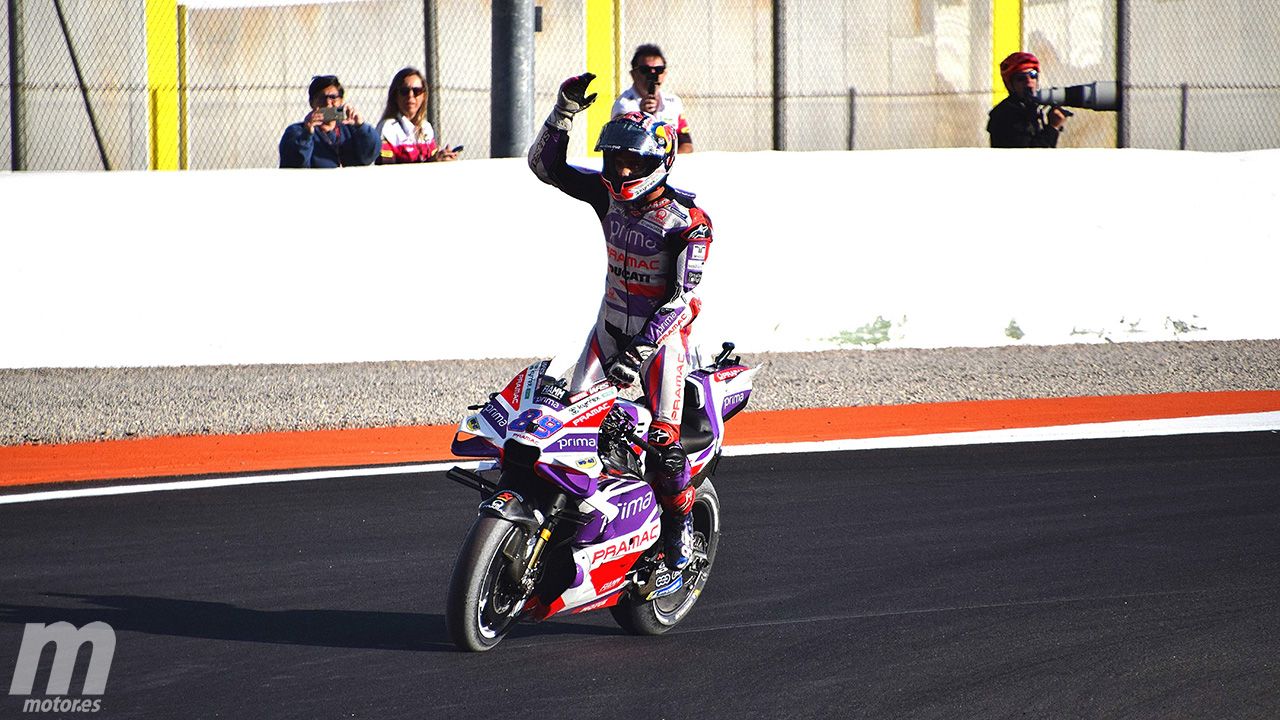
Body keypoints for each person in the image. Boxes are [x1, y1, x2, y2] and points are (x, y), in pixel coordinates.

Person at [529, 72, 712, 571]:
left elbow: (684, 300)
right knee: (562, 420)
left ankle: (681, 533)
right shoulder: (607, 195)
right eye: (614, 157)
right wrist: (564, 110)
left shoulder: (688, 221)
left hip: (661, 348)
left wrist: (639, 353)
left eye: (632, 160)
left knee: (664, 447)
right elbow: (543, 167)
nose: (620, 167)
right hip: (605, 334)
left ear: (659, 162)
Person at [279, 75, 379, 168]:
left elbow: (370, 156)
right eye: (321, 98)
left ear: (341, 101)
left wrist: (361, 126)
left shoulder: (351, 129)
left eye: (333, 97)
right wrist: (307, 134)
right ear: (311, 102)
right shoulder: (296, 131)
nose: (327, 103)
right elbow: (294, 165)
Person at [611, 44, 693, 153]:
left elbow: (686, 144)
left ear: (664, 73)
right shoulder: (624, 104)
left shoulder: (674, 102)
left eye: (659, 69)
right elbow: (619, 145)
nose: (652, 75)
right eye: (645, 70)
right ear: (633, 74)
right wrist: (642, 116)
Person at [375, 67, 460, 164]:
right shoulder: (387, 128)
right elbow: (386, 170)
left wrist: (442, 158)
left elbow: (431, 162)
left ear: (424, 96)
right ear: (395, 96)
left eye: (417, 91)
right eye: (404, 91)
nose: (411, 95)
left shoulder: (426, 127)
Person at [987, 52, 1068, 148]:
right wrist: (1053, 127)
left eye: (1033, 75)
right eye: (1021, 78)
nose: (1029, 81)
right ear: (1010, 85)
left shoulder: (1029, 107)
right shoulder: (1006, 114)